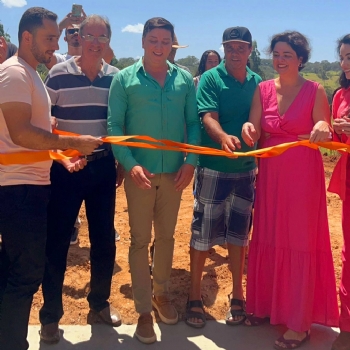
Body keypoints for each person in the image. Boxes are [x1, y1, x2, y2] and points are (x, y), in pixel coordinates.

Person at [0, 7, 102, 350]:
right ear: (26, 37)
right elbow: (22, 133)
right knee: (24, 274)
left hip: (29, 185)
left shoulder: (29, 74)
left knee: (14, 270)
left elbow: (41, 129)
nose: (54, 45)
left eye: (56, 38)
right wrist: (74, 143)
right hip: (18, 189)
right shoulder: (15, 74)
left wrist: (61, 152)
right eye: (48, 38)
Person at [242, 31, 339, 349]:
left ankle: (299, 323)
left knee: (297, 240)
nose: (280, 59)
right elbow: (254, 129)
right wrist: (248, 129)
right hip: (271, 177)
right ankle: (267, 307)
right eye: (276, 54)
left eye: (287, 54)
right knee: (269, 234)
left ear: (300, 59)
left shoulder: (315, 90)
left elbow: (323, 128)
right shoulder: (262, 89)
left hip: (302, 179)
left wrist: (323, 125)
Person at [108, 17, 200, 344]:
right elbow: (115, 127)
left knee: (166, 237)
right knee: (138, 240)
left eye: (165, 41)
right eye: (154, 40)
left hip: (174, 173)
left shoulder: (184, 80)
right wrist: (129, 164)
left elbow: (194, 122)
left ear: (172, 44)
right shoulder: (125, 79)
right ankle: (144, 310)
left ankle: (161, 293)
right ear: (144, 42)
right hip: (140, 175)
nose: (160, 47)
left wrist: (192, 161)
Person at [38, 15, 122, 344]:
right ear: (79, 37)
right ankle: (50, 317)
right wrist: (61, 153)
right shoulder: (58, 75)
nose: (95, 42)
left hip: (103, 167)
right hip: (65, 170)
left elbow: (118, 125)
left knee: (105, 240)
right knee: (57, 242)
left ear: (108, 42)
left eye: (102, 37)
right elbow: (44, 122)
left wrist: (121, 164)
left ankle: (98, 305)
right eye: (90, 35)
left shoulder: (115, 79)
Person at [186, 26, 261, 329]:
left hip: (246, 169)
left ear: (249, 50)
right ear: (224, 48)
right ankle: (194, 297)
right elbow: (207, 117)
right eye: (229, 47)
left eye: (240, 47)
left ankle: (238, 296)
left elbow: (259, 122)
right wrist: (223, 138)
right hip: (214, 167)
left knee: (238, 234)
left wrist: (249, 133)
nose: (234, 52)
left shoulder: (258, 83)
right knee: (202, 233)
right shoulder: (211, 78)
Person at [328, 34, 350, 350]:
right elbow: (335, 139)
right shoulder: (340, 95)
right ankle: (347, 326)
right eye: (343, 57)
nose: (346, 63)